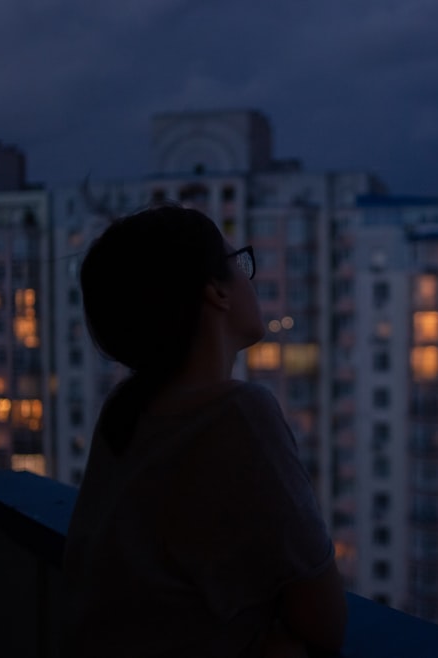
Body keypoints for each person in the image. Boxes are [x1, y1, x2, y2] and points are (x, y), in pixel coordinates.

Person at [61, 205, 346, 657]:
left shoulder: (127, 409)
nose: (250, 278)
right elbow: (326, 621)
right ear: (216, 290)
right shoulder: (239, 414)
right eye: (240, 262)